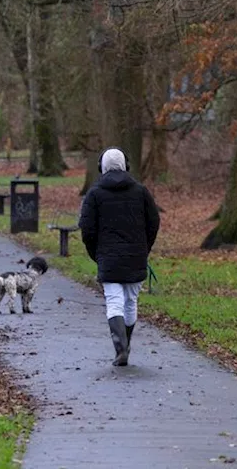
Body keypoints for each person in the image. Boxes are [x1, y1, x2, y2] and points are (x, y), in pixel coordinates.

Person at [78, 148, 160, 366]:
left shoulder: (94, 193)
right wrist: (144, 248)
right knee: (131, 301)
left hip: (108, 257)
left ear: (101, 167)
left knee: (114, 301)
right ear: (126, 165)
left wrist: (96, 254)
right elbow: (154, 223)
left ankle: (120, 349)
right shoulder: (141, 192)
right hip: (136, 256)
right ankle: (127, 344)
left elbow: (87, 229)